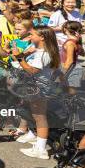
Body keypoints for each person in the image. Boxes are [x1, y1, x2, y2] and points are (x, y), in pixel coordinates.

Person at [12, 26, 61, 159]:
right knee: (33, 114)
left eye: (32, 34)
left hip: (39, 89)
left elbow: (32, 70)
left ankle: (41, 149)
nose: (29, 37)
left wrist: (19, 58)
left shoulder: (42, 54)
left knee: (40, 117)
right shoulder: (42, 50)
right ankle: (34, 135)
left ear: (42, 37)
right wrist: (21, 54)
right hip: (38, 87)